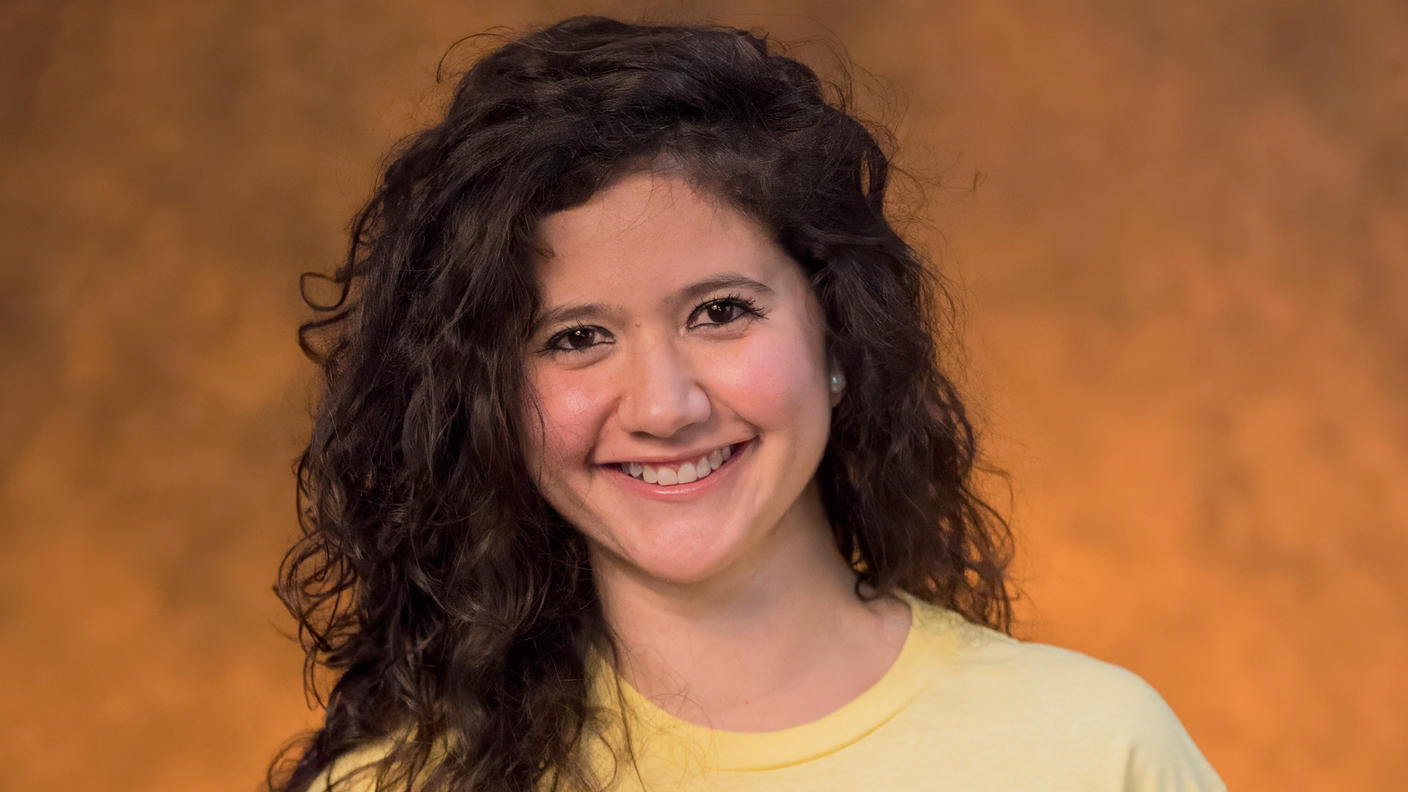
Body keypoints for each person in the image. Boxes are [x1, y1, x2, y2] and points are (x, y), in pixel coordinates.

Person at [267, 15, 1225, 792]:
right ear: (489, 399)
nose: (666, 405)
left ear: (838, 333)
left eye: (721, 312)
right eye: (575, 338)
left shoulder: (1094, 753)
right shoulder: (398, 785)